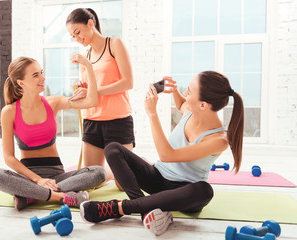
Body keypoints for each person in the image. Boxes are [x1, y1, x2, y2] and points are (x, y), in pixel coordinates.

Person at [79, 71, 244, 236]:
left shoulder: (218, 139)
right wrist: (173, 90)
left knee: (205, 191)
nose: (185, 92)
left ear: (203, 105)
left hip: (184, 193)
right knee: (112, 149)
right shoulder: (191, 109)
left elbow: (167, 155)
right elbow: (181, 105)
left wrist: (152, 114)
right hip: (157, 178)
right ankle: (145, 211)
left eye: (189, 91)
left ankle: (119, 208)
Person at [0, 55, 106, 211]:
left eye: (41, 72)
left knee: (99, 172)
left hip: (57, 175)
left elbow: (91, 102)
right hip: (29, 177)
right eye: (36, 75)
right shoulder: (9, 112)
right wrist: (38, 180)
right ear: (21, 83)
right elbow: (9, 158)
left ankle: (30, 196)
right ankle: (62, 197)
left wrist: (88, 66)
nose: (43, 78)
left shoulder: (53, 102)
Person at [66, 8, 135, 186]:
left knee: (123, 185)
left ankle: (136, 164)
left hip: (118, 120)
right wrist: (82, 90)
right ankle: (113, 171)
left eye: (78, 32)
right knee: (92, 181)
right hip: (92, 121)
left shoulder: (114, 44)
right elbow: (89, 89)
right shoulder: (85, 57)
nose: (77, 38)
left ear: (90, 23)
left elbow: (127, 82)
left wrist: (94, 91)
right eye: (73, 36)